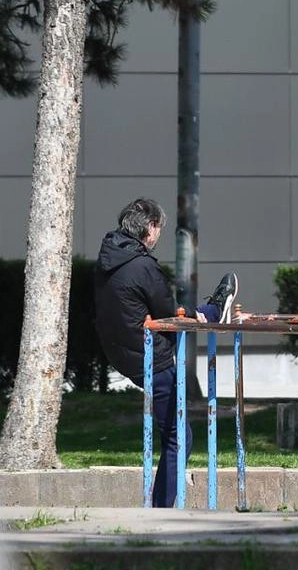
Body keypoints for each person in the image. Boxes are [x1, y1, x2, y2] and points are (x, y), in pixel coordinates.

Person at [93, 198, 238, 508]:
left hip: (122, 351)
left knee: (172, 433)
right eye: (159, 228)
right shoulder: (142, 265)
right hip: (148, 355)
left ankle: (211, 311)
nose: (158, 235)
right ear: (151, 228)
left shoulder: (108, 259)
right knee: (179, 437)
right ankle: (159, 509)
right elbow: (168, 313)